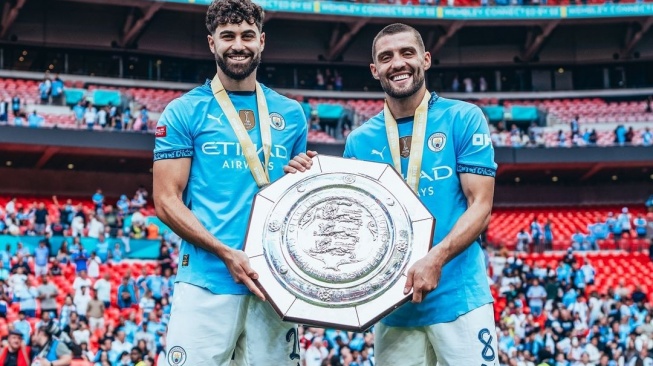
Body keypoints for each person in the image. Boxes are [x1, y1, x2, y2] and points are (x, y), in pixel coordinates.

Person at [287, 23, 499, 365]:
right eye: (386, 57)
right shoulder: (360, 140)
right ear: (375, 70)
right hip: (392, 310)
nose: (397, 63)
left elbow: (480, 205)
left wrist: (435, 258)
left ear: (426, 60)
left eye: (407, 53)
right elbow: (351, 223)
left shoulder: (463, 118)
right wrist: (307, 177)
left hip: (459, 300)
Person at [152, 0, 311, 365]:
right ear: (212, 43)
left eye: (247, 35)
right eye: (227, 36)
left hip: (275, 285)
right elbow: (165, 200)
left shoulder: (291, 113)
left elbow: (296, 196)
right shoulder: (183, 111)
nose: (238, 44)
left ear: (262, 41)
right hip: (206, 280)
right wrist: (226, 253)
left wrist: (306, 174)